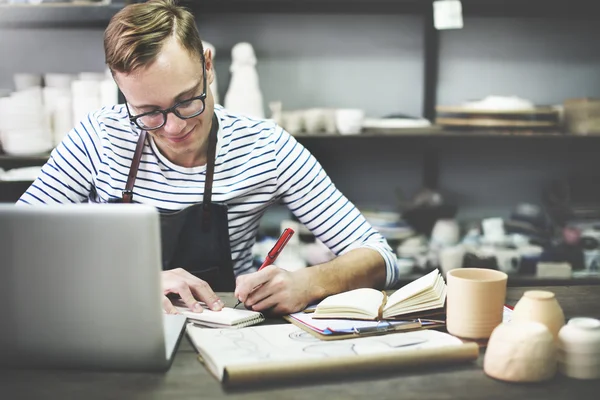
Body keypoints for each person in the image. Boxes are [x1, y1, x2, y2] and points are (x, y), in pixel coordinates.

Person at [18, 0, 399, 315]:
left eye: (186, 101)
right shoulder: (98, 137)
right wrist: (133, 283)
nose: (172, 127)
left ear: (208, 65)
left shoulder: (266, 147)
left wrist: (308, 281)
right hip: (113, 324)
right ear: (120, 89)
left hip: (230, 329)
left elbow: (381, 257)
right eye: (148, 111)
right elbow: (16, 249)